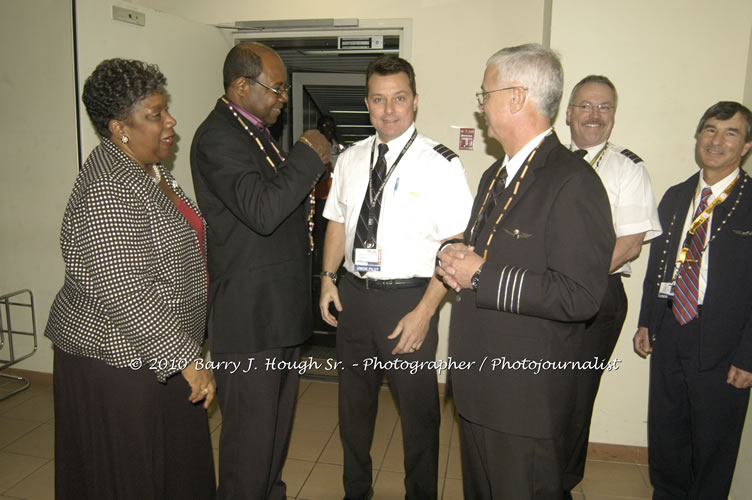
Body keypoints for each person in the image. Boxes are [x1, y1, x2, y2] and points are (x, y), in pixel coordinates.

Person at [437, 44, 615, 498]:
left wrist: (480, 276)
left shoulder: (572, 181)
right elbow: (491, 252)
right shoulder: (495, 174)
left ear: (517, 98)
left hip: (524, 398)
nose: (481, 105)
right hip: (480, 385)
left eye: (485, 94)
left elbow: (579, 296)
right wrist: (458, 257)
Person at [45, 58, 215, 499]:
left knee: (173, 467)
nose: (170, 121)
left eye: (165, 109)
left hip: (156, 353)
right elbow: (127, 290)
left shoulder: (149, 170)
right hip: (117, 362)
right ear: (120, 127)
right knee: (133, 475)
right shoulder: (108, 188)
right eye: (155, 114)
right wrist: (188, 360)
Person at [319, 55, 473, 500]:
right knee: (353, 410)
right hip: (354, 298)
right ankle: (356, 492)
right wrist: (328, 279)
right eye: (379, 99)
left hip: (410, 299)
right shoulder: (349, 159)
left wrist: (426, 313)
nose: (389, 109)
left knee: (419, 416)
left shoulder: (441, 164)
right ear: (367, 103)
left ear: (415, 101)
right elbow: (337, 223)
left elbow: (456, 247)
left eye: (399, 98)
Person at [190, 42, 330, 499]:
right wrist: (307, 155)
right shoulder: (218, 138)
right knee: (249, 451)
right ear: (240, 85)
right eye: (277, 88)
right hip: (249, 322)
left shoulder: (255, 133)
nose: (283, 98)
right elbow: (264, 211)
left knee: (271, 444)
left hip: (277, 315)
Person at [634, 101, 752, 498]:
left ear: (747, 145)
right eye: (710, 130)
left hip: (725, 343)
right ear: (698, 136)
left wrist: (748, 355)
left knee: (713, 448)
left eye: (730, 133)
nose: (716, 141)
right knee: (667, 438)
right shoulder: (676, 195)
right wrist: (647, 321)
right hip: (670, 330)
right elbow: (658, 267)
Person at [562, 75, 662, 493]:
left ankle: (561, 483)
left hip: (596, 297)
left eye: (604, 107)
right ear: (568, 113)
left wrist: (573, 279)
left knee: (576, 394)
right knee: (541, 386)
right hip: (544, 292)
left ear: (614, 116)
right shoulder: (550, 162)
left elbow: (631, 243)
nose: (594, 115)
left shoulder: (627, 167)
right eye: (586, 105)